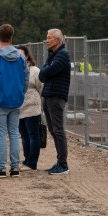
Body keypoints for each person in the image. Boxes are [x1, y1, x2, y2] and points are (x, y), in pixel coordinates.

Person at [0, 24, 29, 179]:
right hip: (15, 100)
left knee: (1, 134)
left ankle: (1, 168)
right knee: (14, 133)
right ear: (11, 37)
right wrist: (21, 94)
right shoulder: (21, 57)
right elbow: (26, 79)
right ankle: (15, 167)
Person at [39, 28, 71, 175]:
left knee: (58, 131)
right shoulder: (53, 55)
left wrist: (47, 71)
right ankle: (59, 162)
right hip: (48, 95)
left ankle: (63, 165)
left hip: (56, 96)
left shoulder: (62, 55)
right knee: (53, 130)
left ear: (57, 40)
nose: (47, 40)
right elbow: (42, 75)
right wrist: (47, 70)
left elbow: (46, 72)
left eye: (49, 38)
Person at [17, 45, 42, 171]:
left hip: (32, 107)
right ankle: (26, 160)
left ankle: (32, 163)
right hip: (20, 107)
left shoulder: (35, 71)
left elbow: (40, 87)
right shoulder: (15, 71)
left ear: (27, 56)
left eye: (22, 54)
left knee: (33, 135)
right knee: (24, 136)